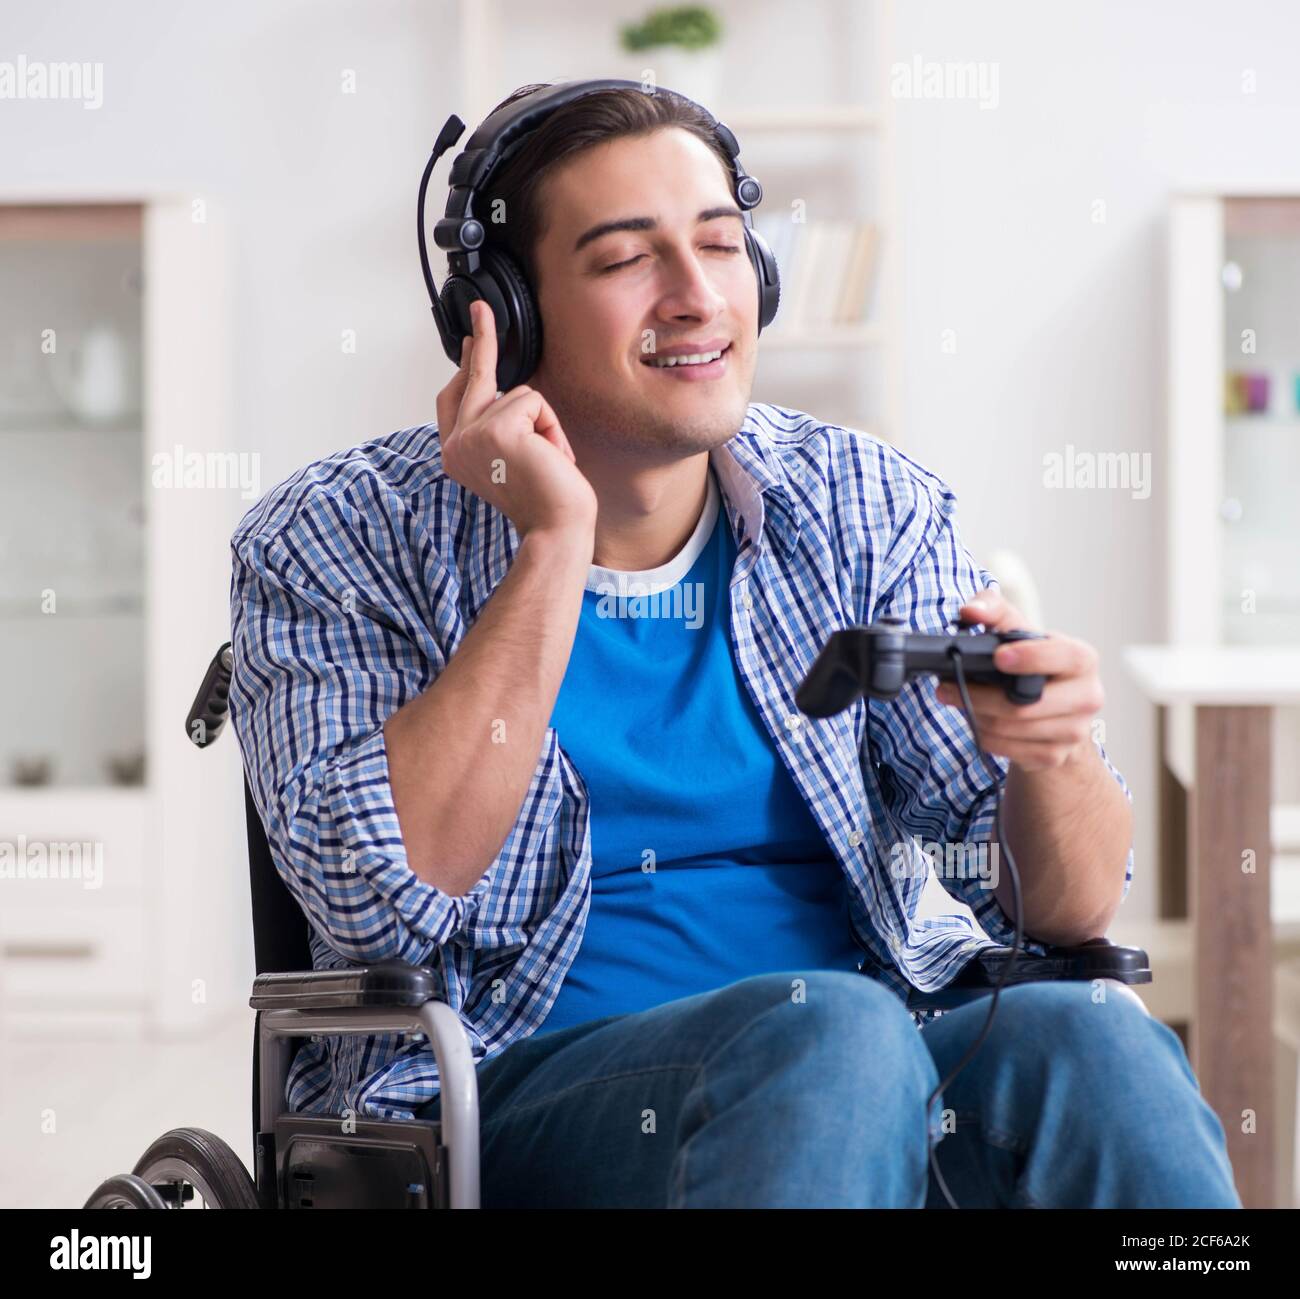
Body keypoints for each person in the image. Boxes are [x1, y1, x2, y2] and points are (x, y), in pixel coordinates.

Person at [228, 82, 1240, 1208]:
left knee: (1093, 1036)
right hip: (519, 1098)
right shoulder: (334, 533)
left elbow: (1064, 914)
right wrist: (554, 543)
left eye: (720, 244)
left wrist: (1051, 757)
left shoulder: (862, 504)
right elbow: (379, 897)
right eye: (624, 261)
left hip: (880, 1065)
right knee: (828, 1030)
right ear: (502, 315)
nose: (698, 295)